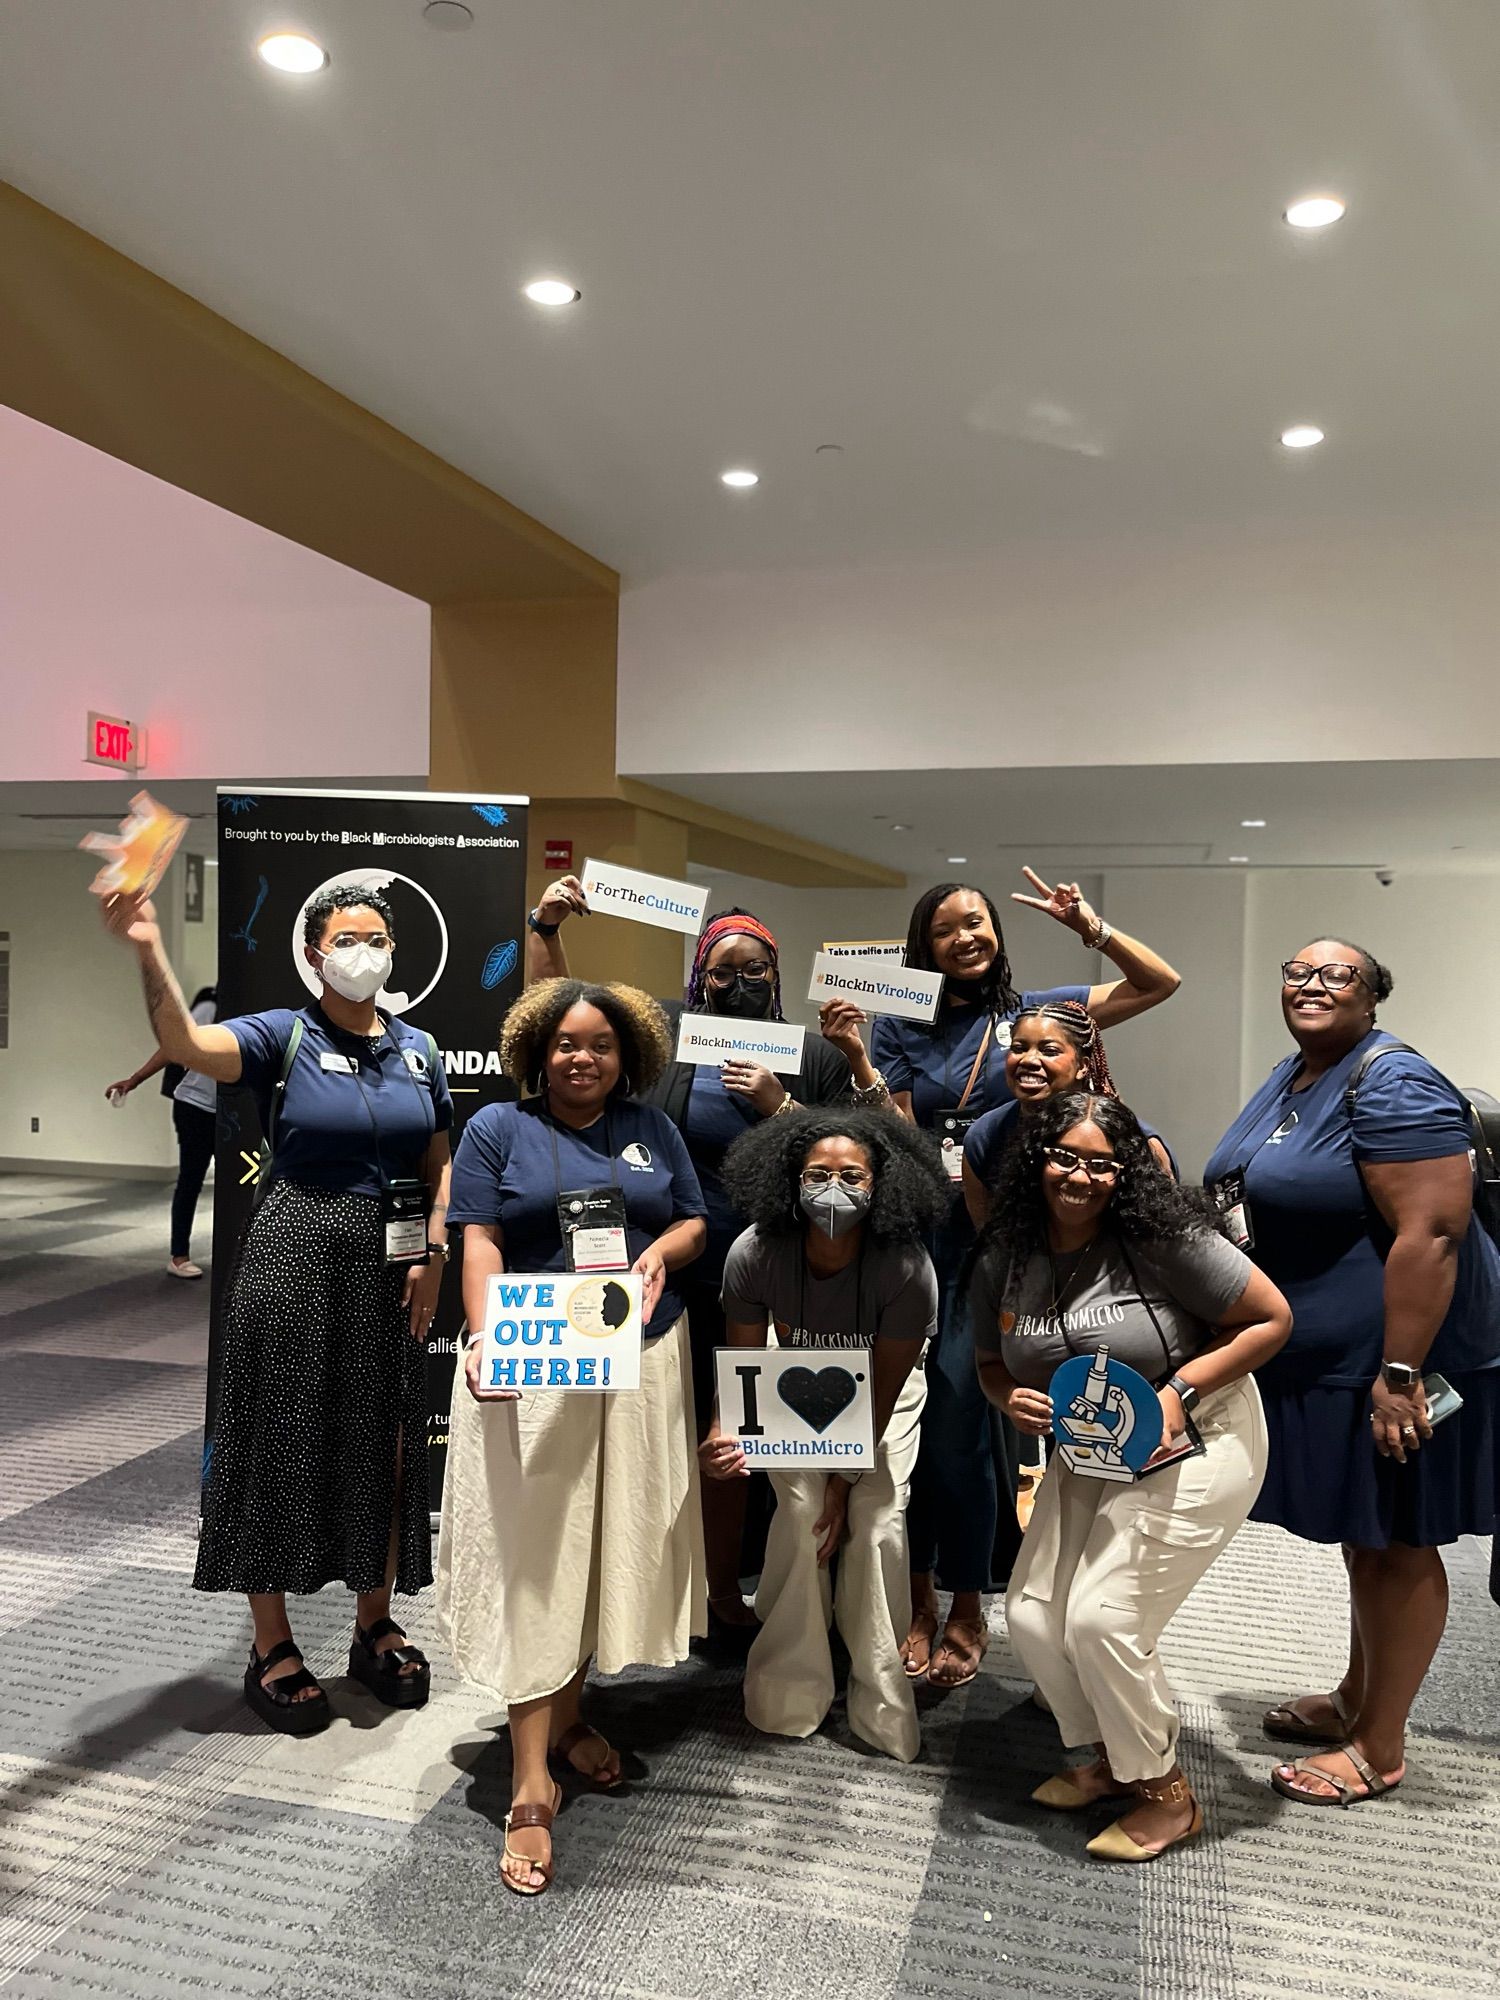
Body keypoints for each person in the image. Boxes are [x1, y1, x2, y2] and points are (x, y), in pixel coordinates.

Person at [100, 884, 452, 1733]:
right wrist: (150, 948)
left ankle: (373, 1623)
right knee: (275, 1441)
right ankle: (272, 1643)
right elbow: (184, 1041)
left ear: (394, 950)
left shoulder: (421, 1049)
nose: (361, 950)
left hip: (392, 1258)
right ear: (314, 952)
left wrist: (435, 1251)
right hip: (296, 1246)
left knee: (386, 1441)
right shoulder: (279, 1033)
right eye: (344, 937)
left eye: (375, 937)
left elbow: (440, 1158)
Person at [819, 870, 1181, 1689]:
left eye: (976, 923)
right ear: (924, 947)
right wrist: (857, 1058)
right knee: (939, 1432)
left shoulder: (1038, 1011)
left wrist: (1091, 923)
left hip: (1032, 1237)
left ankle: (968, 1605)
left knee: (978, 1426)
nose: (965, 938)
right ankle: (919, 1598)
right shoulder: (901, 1022)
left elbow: (1159, 982)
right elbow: (904, 1139)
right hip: (932, 1235)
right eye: (946, 929)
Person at [1204, 939, 1500, 1809]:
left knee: (1397, 1543)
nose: (1312, 985)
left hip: (1401, 1361)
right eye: (1298, 972)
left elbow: (1432, 1235)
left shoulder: (1394, 1080)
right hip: (1330, 1357)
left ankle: (1380, 1743)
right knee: (1364, 1535)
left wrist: (1401, 1373)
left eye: (1338, 975)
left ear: (1374, 995)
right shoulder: (1299, 1073)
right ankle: (1353, 1698)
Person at [436, 976, 708, 1898]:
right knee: (537, 1559)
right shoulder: (495, 1130)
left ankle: (570, 1712)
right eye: (564, 1044)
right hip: (531, 1354)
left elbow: (693, 1221)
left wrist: (661, 1253)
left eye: (598, 1044)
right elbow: (475, 1237)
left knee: (600, 1552)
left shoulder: (655, 1128)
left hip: (640, 1357)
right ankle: (528, 1778)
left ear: (626, 1054)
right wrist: (480, 1335)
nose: (581, 1057)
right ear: (535, 1052)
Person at [525, 877, 854, 1632]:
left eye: (756, 970)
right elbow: (558, 1012)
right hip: (675, 1277)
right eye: (724, 970)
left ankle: (756, 1594)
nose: (739, 984)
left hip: (778, 1283)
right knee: (676, 1439)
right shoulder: (666, 1034)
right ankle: (681, 1594)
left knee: (755, 1442)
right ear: (699, 973)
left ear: (777, 973)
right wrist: (544, 923)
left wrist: (781, 1106)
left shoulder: (806, 1052)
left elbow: (851, 1163)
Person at [971, 1091, 1290, 1859]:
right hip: (1092, 1445)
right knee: (1035, 1612)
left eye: (1103, 1163)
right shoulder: (1005, 1252)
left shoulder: (1161, 1236)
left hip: (1199, 1433)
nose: (1082, 1176)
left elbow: (1272, 1318)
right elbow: (991, 1361)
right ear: (1037, 1162)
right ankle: (1105, 1760)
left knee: (1103, 1619)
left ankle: (1166, 1794)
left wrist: (1180, 1393)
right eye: (1065, 1157)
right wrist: (1005, 1397)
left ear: (1127, 1172)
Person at [699, 1109, 949, 1761]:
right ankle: (788, 1684)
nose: (833, 1187)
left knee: (878, 1523)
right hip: (795, 1375)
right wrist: (727, 1431)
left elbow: (884, 1396)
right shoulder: (754, 1252)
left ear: (881, 1183)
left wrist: (844, 1479)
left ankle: (882, 1700)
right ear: (790, 1179)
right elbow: (745, 1367)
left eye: (851, 1175)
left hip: (881, 1386)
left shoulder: (906, 1266)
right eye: (818, 1173)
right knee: (802, 1514)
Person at [961, 999, 1175, 1232]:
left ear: (1083, 1066)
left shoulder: (1136, 1141)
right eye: (1019, 1048)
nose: (1029, 1060)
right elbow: (987, 1234)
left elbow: (1161, 1231)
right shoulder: (985, 1135)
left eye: (1049, 1050)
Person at [106, 984, 220, 1277]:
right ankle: (178, 1256)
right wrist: (134, 1080)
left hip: (233, 1109)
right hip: (195, 1106)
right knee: (191, 1180)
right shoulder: (209, 1009)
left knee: (241, 1183)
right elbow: (173, 1046)